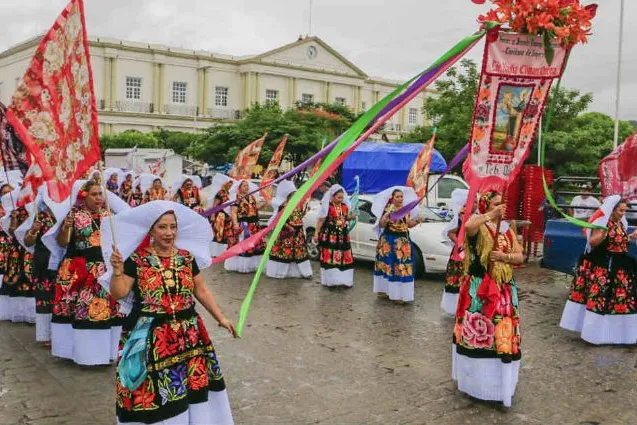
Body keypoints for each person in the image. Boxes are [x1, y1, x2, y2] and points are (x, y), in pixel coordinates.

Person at [106, 201, 235, 425]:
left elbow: (201, 290)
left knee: (190, 385)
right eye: (162, 227)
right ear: (151, 230)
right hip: (150, 336)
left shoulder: (186, 257)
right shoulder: (136, 260)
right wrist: (117, 272)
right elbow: (119, 293)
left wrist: (220, 318)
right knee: (155, 389)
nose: (169, 233)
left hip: (189, 333)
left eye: (173, 227)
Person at [452, 190, 523, 407]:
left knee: (501, 336)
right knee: (479, 335)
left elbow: (521, 256)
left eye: (502, 204)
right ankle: (476, 385)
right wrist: (490, 216)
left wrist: (504, 257)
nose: (500, 207)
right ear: (485, 206)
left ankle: (499, 387)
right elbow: (469, 227)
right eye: (495, 204)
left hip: (504, 290)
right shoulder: (479, 226)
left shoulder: (507, 228)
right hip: (480, 289)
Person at [51, 180, 129, 365]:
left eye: (101, 194)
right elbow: (62, 243)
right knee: (78, 310)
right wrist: (67, 227)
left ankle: (106, 354)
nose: (99, 198)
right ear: (84, 196)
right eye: (94, 194)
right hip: (79, 269)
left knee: (105, 311)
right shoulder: (74, 216)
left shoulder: (109, 216)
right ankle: (82, 354)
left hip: (104, 269)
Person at [559, 195, 637, 344]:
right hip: (606, 267)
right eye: (620, 211)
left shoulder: (620, 223)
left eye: (624, 211)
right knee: (602, 300)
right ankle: (597, 335)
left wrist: (631, 236)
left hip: (620, 267)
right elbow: (593, 242)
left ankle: (617, 335)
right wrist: (603, 233)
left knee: (620, 301)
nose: (623, 214)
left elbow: (619, 240)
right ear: (612, 210)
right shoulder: (603, 223)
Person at [19, 187, 60, 344]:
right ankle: (46, 335)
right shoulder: (40, 217)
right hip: (43, 261)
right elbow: (28, 242)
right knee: (44, 297)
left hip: (60, 260)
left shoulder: (63, 216)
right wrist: (33, 231)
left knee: (58, 297)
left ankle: (59, 333)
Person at [372, 187, 423, 303]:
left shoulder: (406, 210)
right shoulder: (388, 210)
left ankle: (401, 294)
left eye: (401, 197)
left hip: (403, 242)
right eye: (397, 197)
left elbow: (408, 224)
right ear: (392, 198)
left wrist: (417, 221)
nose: (400, 199)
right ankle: (387, 292)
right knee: (389, 265)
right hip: (389, 241)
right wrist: (385, 217)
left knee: (403, 267)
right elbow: (381, 225)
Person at [3, 186, 36, 324]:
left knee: (31, 279)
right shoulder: (15, 211)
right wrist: (15, 219)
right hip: (17, 249)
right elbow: (11, 231)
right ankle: (17, 313)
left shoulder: (35, 209)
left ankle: (32, 314)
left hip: (31, 248)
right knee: (16, 277)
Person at [266, 180, 312, 279]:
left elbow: (298, 217)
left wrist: (305, 212)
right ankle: (280, 272)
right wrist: (289, 227)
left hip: (298, 233)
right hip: (287, 232)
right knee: (284, 252)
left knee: (298, 253)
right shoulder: (283, 206)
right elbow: (280, 220)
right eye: (293, 195)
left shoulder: (297, 206)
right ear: (288, 196)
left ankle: (301, 272)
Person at [313, 185, 355, 287]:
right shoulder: (328, 206)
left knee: (343, 258)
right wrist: (316, 233)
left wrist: (351, 217)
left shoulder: (344, 207)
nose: (341, 199)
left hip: (342, 236)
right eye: (338, 197)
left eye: (342, 197)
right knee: (330, 257)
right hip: (329, 236)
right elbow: (321, 220)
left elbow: (345, 218)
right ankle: (331, 281)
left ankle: (342, 280)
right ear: (332, 196)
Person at [224, 180, 266, 273]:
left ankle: (252, 266)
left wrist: (263, 204)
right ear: (239, 188)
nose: (246, 187)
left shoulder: (251, 197)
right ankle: (242, 266)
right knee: (243, 244)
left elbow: (254, 209)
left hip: (254, 224)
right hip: (243, 225)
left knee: (254, 245)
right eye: (244, 186)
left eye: (247, 186)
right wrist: (235, 224)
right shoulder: (237, 198)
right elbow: (234, 212)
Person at [441, 189, 470, 315]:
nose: (475, 204)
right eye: (472, 202)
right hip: (460, 253)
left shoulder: (477, 216)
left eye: (476, 202)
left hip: (470, 253)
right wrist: (460, 243)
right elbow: (451, 232)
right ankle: (454, 308)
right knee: (457, 278)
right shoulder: (462, 215)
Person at [0, 184, 16, 321]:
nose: (6, 195)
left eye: (9, 192)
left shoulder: (21, 208)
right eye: (4, 193)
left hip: (14, 249)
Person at [209, 175, 235, 258]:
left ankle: (221, 253)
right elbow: (215, 205)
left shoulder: (229, 193)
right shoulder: (220, 193)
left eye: (231, 184)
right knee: (218, 233)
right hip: (220, 216)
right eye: (229, 184)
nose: (230, 186)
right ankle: (215, 253)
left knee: (224, 234)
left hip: (227, 217)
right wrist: (213, 215)